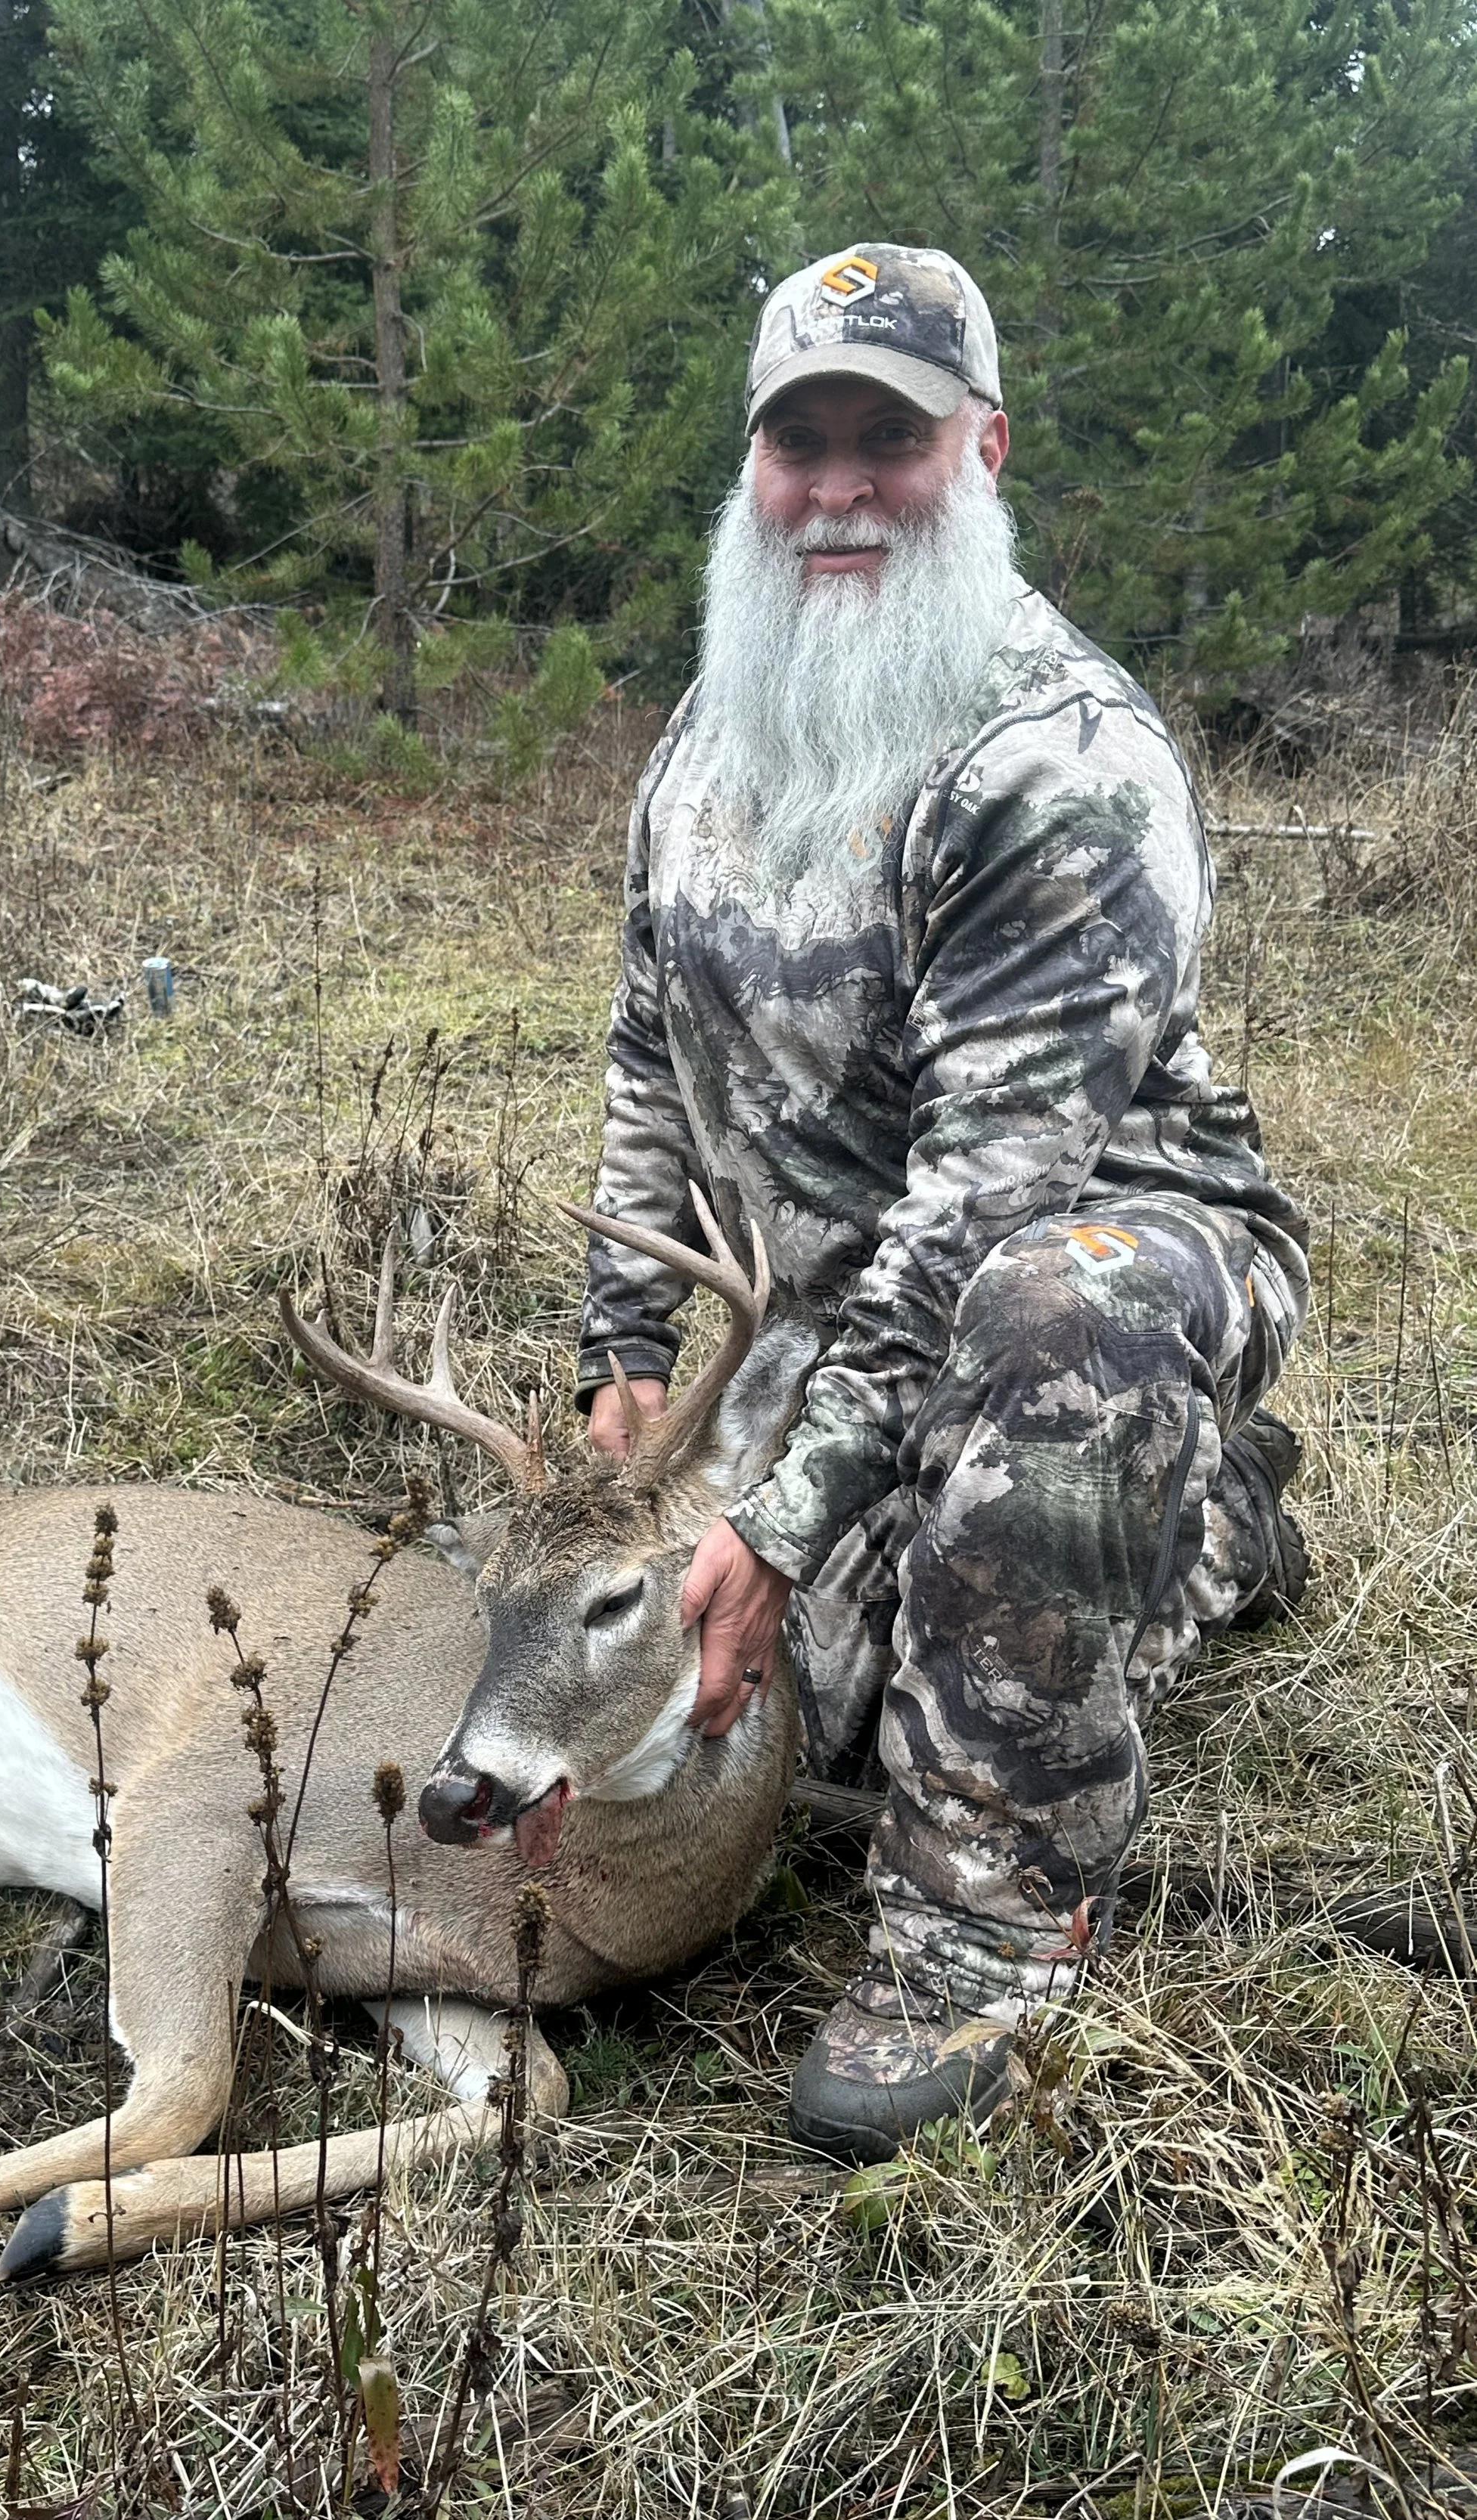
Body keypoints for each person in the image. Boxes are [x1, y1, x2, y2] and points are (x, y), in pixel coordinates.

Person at [575, 245, 1310, 2165]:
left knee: (1050, 1341)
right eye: (796, 443)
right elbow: (647, 1047)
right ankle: (1200, 1532)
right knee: (760, 1716)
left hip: (1088, 1260)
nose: (835, 488)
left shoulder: (1057, 764)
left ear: (978, 446)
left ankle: (985, 1919)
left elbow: (989, 1205)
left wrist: (785, 1509)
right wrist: (623, 1351)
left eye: (883, 441)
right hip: (829, 1304)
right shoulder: (714, 728)